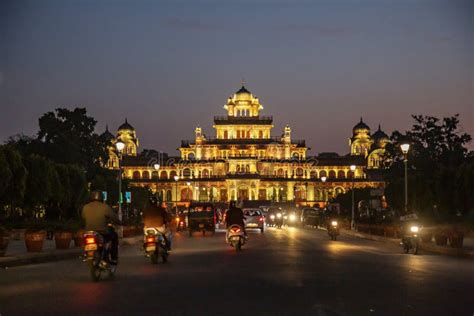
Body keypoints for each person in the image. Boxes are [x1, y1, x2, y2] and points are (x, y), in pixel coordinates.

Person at [81, 191, 119, 264]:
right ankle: (114, 258)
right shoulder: (105, 207)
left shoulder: (85, 207)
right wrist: (120, 222)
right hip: (102, 232)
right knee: (114, 236)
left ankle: (88, 254)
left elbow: (83, 217)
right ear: (101, 198)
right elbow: (114, 217)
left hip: (88, 232)